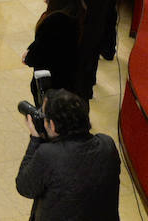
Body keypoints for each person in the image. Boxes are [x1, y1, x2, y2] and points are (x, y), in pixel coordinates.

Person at [15, 89, 120, 220]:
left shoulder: (48, 155)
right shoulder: (107, 144)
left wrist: (35, 140)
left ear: (52, 125)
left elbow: (24, 187)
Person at [23, 0, 84, 103]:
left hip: (52, 80)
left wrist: (28, 57)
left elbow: (42, 50)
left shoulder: (54, 21)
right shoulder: (79, 9)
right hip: (69, 74)